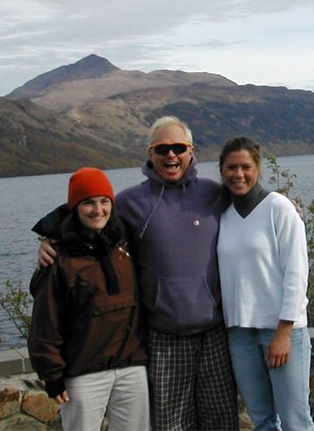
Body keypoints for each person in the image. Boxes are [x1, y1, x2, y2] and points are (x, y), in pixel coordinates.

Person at [34, 117, 239, 431]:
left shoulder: (214, 193)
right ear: (150, 154)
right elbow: (90, 213)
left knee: (220, 421)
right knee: (169, 425)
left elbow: (251, 201)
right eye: (162, 149)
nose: (171, 156)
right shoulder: (130, 202)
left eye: (178, 148)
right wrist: (50, 239)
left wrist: (285, 207)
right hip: (162, 335)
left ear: (191, 151)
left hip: (213, 333)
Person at [28, 167, 149, 431]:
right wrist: (52, 374)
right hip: (82, 371)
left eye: (104, 201)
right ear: (75, 207)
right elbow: (45, 322)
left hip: (132, 365)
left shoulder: (124, 244)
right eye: (88, 203)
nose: (98, 210)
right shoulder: (58, 258)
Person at [217, 136, 314, 431]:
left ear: (257, 169)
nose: (239, 174)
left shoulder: (279, 208)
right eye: (231, 167)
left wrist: (284, 331)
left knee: (295, 420)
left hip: (282, 332)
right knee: (262, 421)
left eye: (245, 167)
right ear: (222, 171)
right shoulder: (221, 214)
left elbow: (297, 272)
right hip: (239, 334)